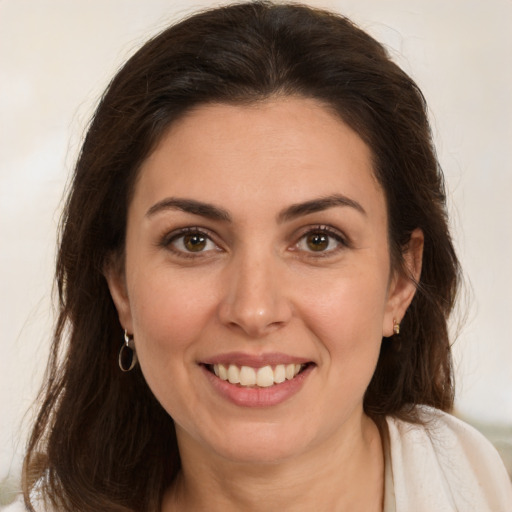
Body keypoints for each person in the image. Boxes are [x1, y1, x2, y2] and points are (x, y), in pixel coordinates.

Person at [13, 1, 511, 511]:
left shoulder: (485, 487)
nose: (253, 310)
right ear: (120, 284)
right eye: (194, 240)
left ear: (400, 280)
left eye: (319, 239)